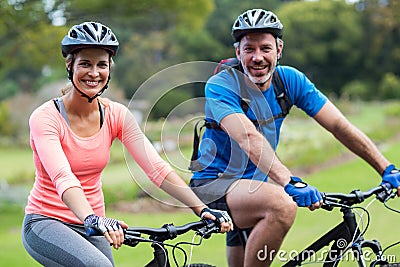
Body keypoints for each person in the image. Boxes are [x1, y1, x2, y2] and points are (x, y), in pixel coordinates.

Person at [189, 8, 400, 267]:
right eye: (249, 49)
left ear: (279, 50)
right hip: (214, 185)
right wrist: (291, 183)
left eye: (265, 48)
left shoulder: (289, 81)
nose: (257, 57)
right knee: (282, 206)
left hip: (254, 186)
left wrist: (386, 168)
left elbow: (339, 126)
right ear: (238, 53)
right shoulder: (222, 85)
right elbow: (248, 138)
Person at [21, 21, 233, 267]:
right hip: (46, 222)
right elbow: (62, 176)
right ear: (70, 66)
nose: (94, 73)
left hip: (93, 223)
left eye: (101, 65)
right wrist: (92, 218)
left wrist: (202, 208)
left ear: (109, 69)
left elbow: (156, 168)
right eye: (85, 64)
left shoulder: (116, 114)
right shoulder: (45, 117)